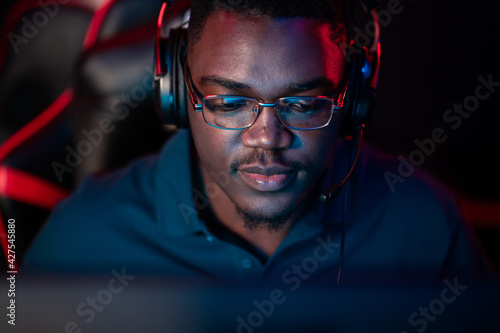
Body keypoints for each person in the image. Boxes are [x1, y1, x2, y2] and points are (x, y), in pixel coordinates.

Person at [22, 0, 491, 285]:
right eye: (229, 103)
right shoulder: (86, 235)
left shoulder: (427, 224)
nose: (268, 138)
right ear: (178, 96)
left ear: (352, 103)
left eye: (304, 104)